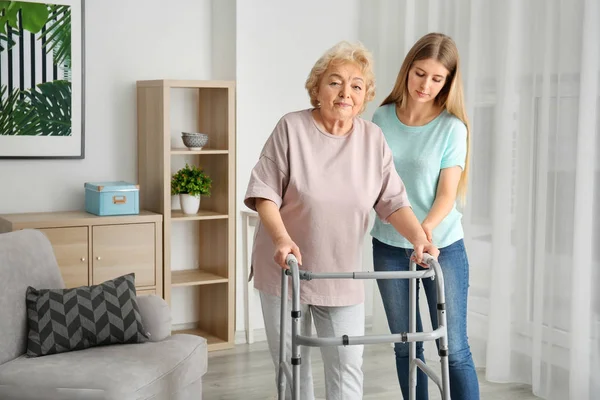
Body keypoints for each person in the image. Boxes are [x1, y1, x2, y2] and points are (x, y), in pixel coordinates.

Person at [244, 41, 439, 400]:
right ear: (316, 88)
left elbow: (393, 202)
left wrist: (419, 238)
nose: (345, 92)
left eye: (356, 86)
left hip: (341, 274)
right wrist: (282, 240)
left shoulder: (372, 139)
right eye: (335, 82)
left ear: (365, 98)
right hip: (287, 272)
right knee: (292, 367)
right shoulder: (292, 128)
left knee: (348, 367)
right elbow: (264, 194)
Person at [370, 32, 480, 400]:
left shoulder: (452, 127)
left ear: (448, 81)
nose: (426, 85)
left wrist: (424, 234)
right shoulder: (381, 118)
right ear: (407, 70)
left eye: (437, 78)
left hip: (441, 245)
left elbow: (447, 194)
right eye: (420, 73)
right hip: (388, 245)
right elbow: (372, 183)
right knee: (406, 346)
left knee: (455, 348)